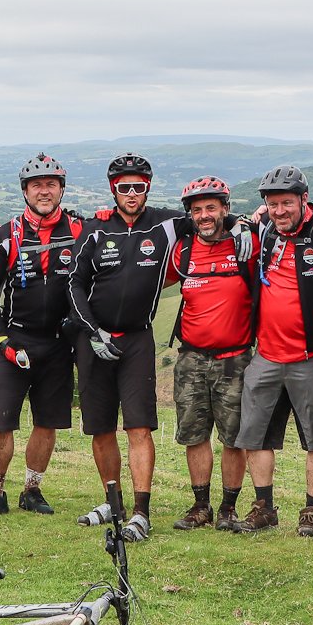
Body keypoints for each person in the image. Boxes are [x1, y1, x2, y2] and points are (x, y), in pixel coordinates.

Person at [67, 153, 252, 543]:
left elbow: (212, 216)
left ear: (147, 188)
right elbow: (75, 284)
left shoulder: (167, 223)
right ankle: (112, 502)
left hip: (137, 338)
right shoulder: (96, 228)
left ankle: (140, 512)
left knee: (138, 426)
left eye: (138, 186)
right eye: (123, 187)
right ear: (113, 190)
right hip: (94, 338)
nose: (131, 193)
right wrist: (92, 330)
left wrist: (245, 225)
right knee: (100, 428)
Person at [0, 153, 84, 520]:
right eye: (37, 185)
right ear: (25, 191)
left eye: (51, 184)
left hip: (58, 343)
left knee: (47, 422)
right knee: (0, 422)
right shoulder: (8, 235)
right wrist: (1, 338)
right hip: (17, 341)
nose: (44, 191)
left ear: (62, 189)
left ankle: (31, 489)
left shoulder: (80, 231)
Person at [231, 165, 313, 536]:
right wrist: (249, 220)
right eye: (273, 205)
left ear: (304, 200)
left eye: (287, 203)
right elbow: (230, 220)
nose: (280, 211)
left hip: (311, 357)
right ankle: (264, 508)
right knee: (254, 436)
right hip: (266, 356)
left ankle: (311, 511)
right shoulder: (265, 232)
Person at [165, 176, 256, 533]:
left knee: (234, 438)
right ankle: (200, 506)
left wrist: (245, 224)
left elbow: (269, 219)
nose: (205, 215)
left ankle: (228, 509)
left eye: (211, 208)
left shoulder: (245, 246)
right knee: (195, 434)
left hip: (235, 358)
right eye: (198, 209)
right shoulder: (183, 251)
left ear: (225, 209)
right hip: (190, 359)